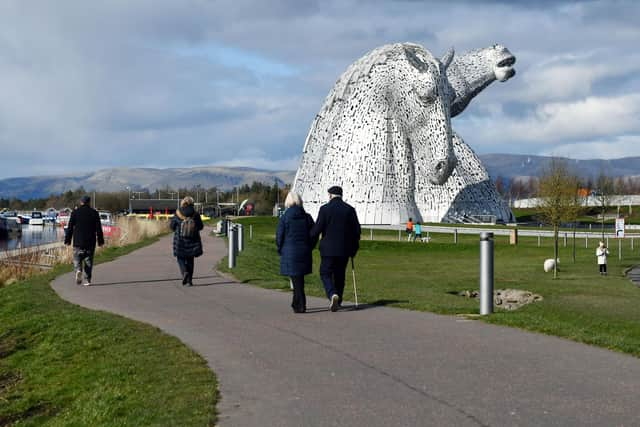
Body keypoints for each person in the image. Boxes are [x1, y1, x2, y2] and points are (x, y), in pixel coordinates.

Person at [310, 186, 361, 312]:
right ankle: (339, 300)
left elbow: (317, 230)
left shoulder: (325, 209)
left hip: (328, 249)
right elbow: (357, 232)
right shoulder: (349, 210)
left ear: (330, 195)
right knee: (340, 275)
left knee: (325, 272)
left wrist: (309, 241)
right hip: (344, 249)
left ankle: (332, 293)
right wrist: (354, 249)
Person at [276, 192, 316, 313]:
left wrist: (280, 248)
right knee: (299, 278)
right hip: (304, 250)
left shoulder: (285, 218)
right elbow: (314, 234)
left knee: (295, 278)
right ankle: (296, 303)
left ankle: (301, 303)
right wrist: (310, 246)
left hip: (290, 251)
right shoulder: (307, 217)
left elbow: (279, 236)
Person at [64, 195, 104, 286]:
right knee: (88, 261)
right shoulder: (94, 213)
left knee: (77, 259)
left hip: (78, 241)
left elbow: (70, 227)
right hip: (90, 241)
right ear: (89, 202)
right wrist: (100, 241)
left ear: (81, 202)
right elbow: (99, 229)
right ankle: (87, 280)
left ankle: (78, 270)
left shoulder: (75, 212)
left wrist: (67, 240)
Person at [170, 196, 204, 286]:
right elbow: (201, 226)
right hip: (193, 240)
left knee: (180, 257)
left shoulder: (178, 213)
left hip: (180, 240)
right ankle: (190, 281)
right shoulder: (195, 214)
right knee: (190, 260)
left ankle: (184, 272)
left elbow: (172, 226)